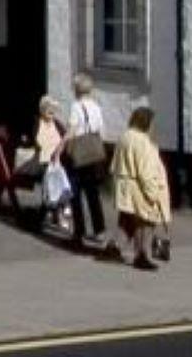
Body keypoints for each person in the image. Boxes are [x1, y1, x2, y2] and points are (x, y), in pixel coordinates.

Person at [111, 101, 173, 270]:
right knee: (146, 221)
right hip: (138, 186)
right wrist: (152, 192)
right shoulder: (143, 143)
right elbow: (145, 170)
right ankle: (142, 254)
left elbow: (114, 163)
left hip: (124, 183)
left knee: (127, 219)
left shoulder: (125, 137)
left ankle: (115, 247)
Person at [63, 72, 110, 247]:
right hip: (94, 153)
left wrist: (61, 146)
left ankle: (79, 232)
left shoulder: (76, 107)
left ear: (76, 89)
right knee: (93, 194)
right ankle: (100, 231)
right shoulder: (97, 107)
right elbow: (100, 130)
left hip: (79, 154)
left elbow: (72, 130)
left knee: (75, 194)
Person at [26, 95, 72, 236]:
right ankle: (57, 214)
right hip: (43, 162)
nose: (51, 115)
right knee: (52, 188)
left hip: (56, 163)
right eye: (49, 112)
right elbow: (36, 140)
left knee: (59, 185)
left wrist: (60, 148)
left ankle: (58, 213)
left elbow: (66, 137)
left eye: (53, 112)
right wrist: (43, 146)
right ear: (42, 111)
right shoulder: (37, 123)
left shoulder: (57, 124)